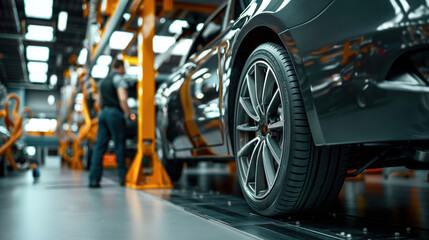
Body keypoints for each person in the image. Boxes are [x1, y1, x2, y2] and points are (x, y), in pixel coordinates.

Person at [89, 58, 133, 187]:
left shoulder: (103, 82)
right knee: (119, 144)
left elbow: (98, 103)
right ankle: (122, 178)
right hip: (114, 114)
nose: (124, 71)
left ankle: (94, 179)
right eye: (124, 68)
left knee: (99, 147)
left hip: (103, 114)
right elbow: (123, 99)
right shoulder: (118, 78)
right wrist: (129, 114)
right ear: (120, 67)